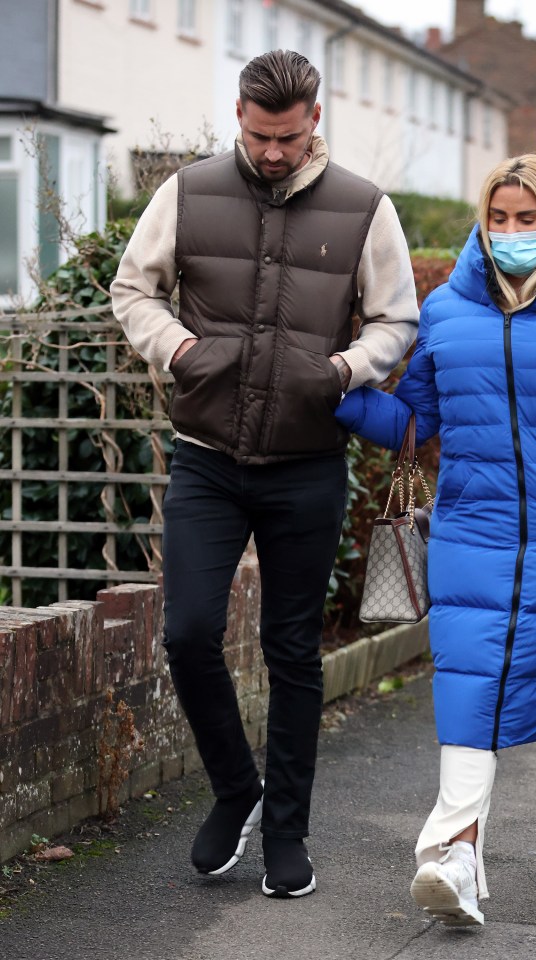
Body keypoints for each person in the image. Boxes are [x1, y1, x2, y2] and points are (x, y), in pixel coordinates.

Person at [110, 50, 419, 898]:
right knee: (186, 633)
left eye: (286, 137)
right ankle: (234, 787)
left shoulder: (364, 208)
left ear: (313, 118)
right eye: (256, 135)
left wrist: (345, 371)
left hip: (307, 466)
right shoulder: (189, 191)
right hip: (208, 460)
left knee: (292, 652)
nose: (271, 153)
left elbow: (397, 319)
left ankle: (286, 828)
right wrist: (178, 348)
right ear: (238, 116)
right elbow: (133, 290)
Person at [335, 154, 536, 926]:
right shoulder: (449, 309)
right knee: (469, 692)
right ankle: (452, 858)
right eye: (499, 217)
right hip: (471, 533)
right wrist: (337, 395)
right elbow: (418, 421)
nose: (511, 232)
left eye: (528, 218)